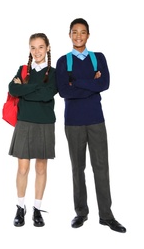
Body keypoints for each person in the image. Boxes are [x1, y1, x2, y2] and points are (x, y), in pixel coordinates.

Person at [55, 18, 126, 233]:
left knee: (101, 167)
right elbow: (64, 92)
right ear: (69, 35)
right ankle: (81, 212)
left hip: (96, 120)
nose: (78, 36)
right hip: (73, 122)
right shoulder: (62, 61)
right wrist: (91, 84)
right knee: (78, 168)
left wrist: (75, 81)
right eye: (74, 32)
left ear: (88, 35)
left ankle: (106, 215)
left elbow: (104, 84)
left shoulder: (99, 58)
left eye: (82, 32)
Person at [8, 33, 58, 227]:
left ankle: (37, 209)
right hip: (24, 122)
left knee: (41, 168)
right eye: (33, 47)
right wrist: (36, 89)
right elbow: (13, 89)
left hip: (45, 123)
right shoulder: (22, 71)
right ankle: (20, 207)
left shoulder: (54, 73)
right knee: (22, 169)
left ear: (48, 48)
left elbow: (48, 95)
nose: (37, 51)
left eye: (40, 47)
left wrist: (27, 89)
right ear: (29, 49)